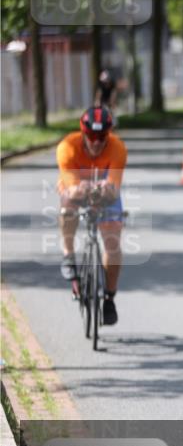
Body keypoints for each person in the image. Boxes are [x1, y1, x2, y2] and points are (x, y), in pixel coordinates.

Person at [57, 106, 128, 326]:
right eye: (91, 137)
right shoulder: (67, 147)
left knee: (113, 243)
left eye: (101, 137)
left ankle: (109, 297)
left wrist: (103, 191)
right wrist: (82, 189)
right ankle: (68, 255)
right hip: (77, 185)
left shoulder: (117, 148)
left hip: (105, 188)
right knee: (67, 207)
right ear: (83, 134)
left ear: (109, 135)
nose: (96, 142)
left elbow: (113, 189)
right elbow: (71, 188)